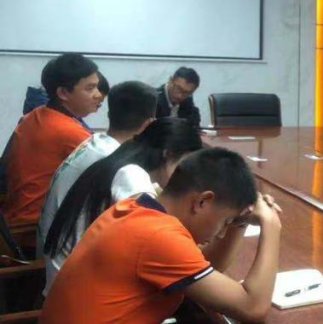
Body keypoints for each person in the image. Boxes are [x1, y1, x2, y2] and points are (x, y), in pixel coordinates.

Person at [36, 147, 281, 324]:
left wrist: (237, 221)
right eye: (224, 221)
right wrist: (271, 225)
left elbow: (207, 269)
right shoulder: (158, 237)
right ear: (203, 201)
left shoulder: (137, 209)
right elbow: (253, 307)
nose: (221, 232)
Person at [41, 118, 204, 293]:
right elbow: (159, 240)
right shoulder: (132, 176)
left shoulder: (121, 161)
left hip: (68, 279)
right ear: (168, 154)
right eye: (183, 166)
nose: (185, 177)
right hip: (76, 289)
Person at [37, 81, 158, 262]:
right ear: (149, 124)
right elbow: (155, 232)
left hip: (51, 262)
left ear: (109, 114)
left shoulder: (90, 143)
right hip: (76, 271)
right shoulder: (125, 169)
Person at [1, 54, 101, 227]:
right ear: (62, 93)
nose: (98, 95)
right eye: (90, 88)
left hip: (12, 219)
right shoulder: (71, 133)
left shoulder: (34, 115)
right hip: (34, 228)